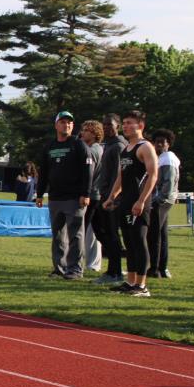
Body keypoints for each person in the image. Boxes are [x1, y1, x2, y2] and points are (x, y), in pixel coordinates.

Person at [102, 110, 159, 297]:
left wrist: (141, 201)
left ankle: (142, 286)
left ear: (140, 125)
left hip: (139, 202)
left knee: (139, 242)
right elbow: (121, 176)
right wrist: (112, 196)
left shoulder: (145, 147)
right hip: (125, 202)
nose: (125, 126)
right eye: (124, 123)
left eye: (129, 123)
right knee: (129, 243)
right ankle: (131, 282)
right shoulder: (127, 148)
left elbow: (153, 175)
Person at [35, 111, 93, 280]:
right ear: (56, 125)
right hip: (55, 198)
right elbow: (43, 172)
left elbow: (88, 171)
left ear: (73, 126)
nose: (66, 125)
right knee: (58, 235)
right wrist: (40, 194)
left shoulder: (78, 144)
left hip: (74, 198)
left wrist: (85, 193)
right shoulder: (49, 146)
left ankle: (75, 269)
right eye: (62, 122)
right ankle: (59, 268)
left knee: (76, 235)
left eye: (69, 122)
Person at [91, 114, 128, 285]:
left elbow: (119, 175)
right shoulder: (109, 145)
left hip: (112, 198)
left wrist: (113, 197)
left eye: (110, 125)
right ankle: (113, 269)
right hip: (104, 195)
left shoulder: (119, 146)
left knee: (111, 234)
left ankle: (115, 272)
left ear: (117, 127)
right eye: (104, 124)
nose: (106, 128)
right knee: (101, 231)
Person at [147, 129, 180, 279]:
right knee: (162, 235)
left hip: (162, 201)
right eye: (156, 142)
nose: (159, 145)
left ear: (168, 143)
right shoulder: (163, 157)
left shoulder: (168, 158)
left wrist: (157, 200)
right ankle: (162, 268)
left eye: (162, 142)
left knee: (154, 235)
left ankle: (154, 269)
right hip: (165, 200)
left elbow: (169, 182)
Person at [79, 119, 105, 272]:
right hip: (95, 194)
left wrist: (84, 193)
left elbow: (89, 174)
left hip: (91, 195)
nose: (82, 133)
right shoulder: (97, 149)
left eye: (86, 130)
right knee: (93, 231)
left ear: (95, 134)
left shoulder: (93, 151)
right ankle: (93, 264)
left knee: (84, 231)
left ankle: (83, 263)